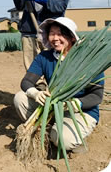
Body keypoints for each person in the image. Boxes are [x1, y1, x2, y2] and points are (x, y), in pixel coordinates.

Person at [14, 17, 104, 152]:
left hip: (81, 111)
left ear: (72, 37)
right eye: (51, 33)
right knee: (20, 98)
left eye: (60, 34)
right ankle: (45, 128)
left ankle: (73, 136)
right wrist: (35, 92)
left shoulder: (87, 61)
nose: (55, 38)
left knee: (62, 140)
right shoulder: (45, 57)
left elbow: (97, 96)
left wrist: (75, 104)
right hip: (54, 107)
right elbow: (26, 81)